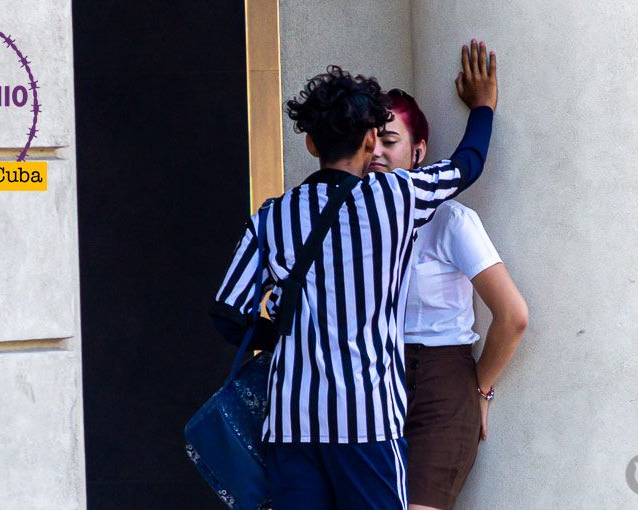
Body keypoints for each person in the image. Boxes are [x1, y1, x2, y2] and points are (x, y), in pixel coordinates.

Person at [210, 39, 497, 509]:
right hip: (367, 421)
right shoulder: (395, 198)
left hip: (291, 424)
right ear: (369, 141)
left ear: (310, 142)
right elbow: (468, 165)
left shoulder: (272, 216)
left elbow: (225, 312)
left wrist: (282, 332)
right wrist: (483, 107)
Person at [368, 73, 527, 510]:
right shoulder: (357, 224)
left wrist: (481, 389)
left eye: (389, 140)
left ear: (418, 152)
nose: (376, 152)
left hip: (440, 385)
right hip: (372, 386)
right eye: (369, 142)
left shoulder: (450, 220)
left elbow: (513, 316)